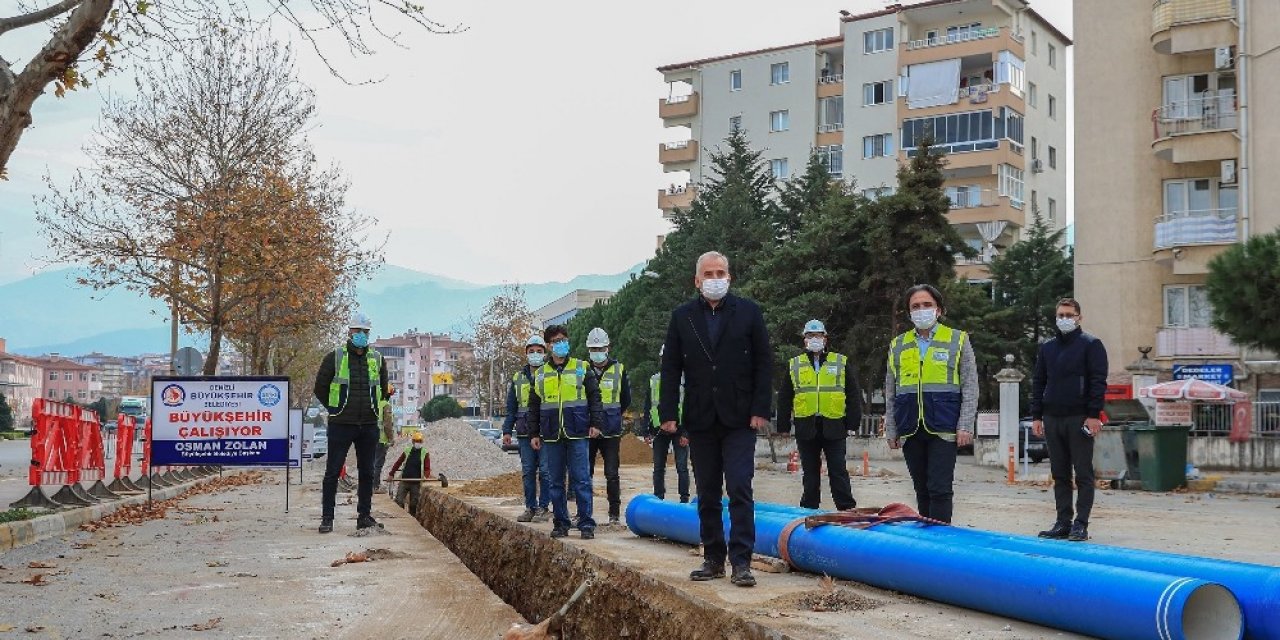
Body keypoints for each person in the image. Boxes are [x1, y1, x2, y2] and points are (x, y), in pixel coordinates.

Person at [660, 250, 772, 587]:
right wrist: (668, 413)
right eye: (708, 274)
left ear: (730, 277)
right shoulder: (682, 317)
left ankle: (742, 561)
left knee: (739, 487)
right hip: (701, 417)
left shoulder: (749, 313)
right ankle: (713, 557)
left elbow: (764, 364)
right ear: (697, 281)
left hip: (739, 418)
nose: (714, 279)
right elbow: (670, 369)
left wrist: (760, 409)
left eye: (720, 272)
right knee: (707, 491)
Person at [884, 285, 978, 524]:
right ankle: (926, 543)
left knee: (940, 488)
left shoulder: (958, 339)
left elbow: (970, 385)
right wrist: (892, 429)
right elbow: (891, 391)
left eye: (927, 305)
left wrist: (965, 424)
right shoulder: (898, 344)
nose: (921, 310)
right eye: (915, 306)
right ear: (909, 312)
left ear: (939, 309)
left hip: (944, 426)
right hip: (910, 426)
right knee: (921, 489)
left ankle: (941, 545)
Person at [1031, 298, 1109, 542]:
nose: (1064, 319)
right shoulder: (1048, 348)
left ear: (1079, 317)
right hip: (1053, 418)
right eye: (1060, 315)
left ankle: (1081, 524)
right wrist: (1036, 415)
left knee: (1083, 473)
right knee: (1059, 473)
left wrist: (1094, 415)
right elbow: (1038, 382)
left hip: (1080, 418)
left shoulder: (1091, 345)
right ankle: (1062, 522)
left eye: (1069, 314)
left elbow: (1098, 381)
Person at [313, 311, 390, 533]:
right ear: (350, 332)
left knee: (367, 472)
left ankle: (364, 516)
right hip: (341, 423)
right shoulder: (335, 357)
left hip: (368, 425)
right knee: (332, 472)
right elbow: (320, 387)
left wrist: (374, 408)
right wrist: (334, 408)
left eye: (365, 332)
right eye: (358, 331)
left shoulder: (377, 359)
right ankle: (327, 517)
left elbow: (383, 389)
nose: (361, 335)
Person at [528, 324, 604, 540]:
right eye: (554, 341)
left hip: (578, 432)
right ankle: (561, 523)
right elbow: (534, 407)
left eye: (562, 340)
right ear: (549, 346)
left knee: (581, 480)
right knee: (555, 482)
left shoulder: (581, 367)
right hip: (552, 435)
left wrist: (596, 423)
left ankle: (586, 523)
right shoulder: (541, 374)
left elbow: (595, 397)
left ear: (567, 341)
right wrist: (534, 433)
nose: (559, 344)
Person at [776, 319, 861, 510]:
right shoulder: (795, 364)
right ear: (804, 340)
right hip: (806, 425)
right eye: (810, 336)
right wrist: (783, 425)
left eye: (818, 336)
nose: (815, 339)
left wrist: (853, 423)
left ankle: (846, 507)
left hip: (834, 425)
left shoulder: (840, 362)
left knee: (838, 469)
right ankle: (809, 507)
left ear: (825, 338)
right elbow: (785, 396)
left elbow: (853, 393)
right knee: (810, 471)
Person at [502, 335, 551, 523]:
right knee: (528, 471)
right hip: (523, 432)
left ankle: (544, 507)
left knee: (546, 472)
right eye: (532, 351)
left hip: (546, 432)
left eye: (539, 351)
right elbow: (512, 408)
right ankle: (530, 507)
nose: (535, 355)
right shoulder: (518, 378)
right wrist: (507, 431)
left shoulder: (550, 374)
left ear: (545, 353)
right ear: (526, 354)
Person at [585, 327, 630, 525]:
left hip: (611, 431)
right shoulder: (582, 369)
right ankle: (584, 512)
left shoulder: (619, 369)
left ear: (608, 347)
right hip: (588, 430)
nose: (597, 351)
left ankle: (614, 514)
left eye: (600, 347)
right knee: (585, 474)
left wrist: (612, 416)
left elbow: (625, 399)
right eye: (593, 348)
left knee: (612, 474)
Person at [644, 345, 690, 503]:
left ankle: (684, 499)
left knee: (682, 468)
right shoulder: (654, 380)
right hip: (659, 431)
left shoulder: (686, 382)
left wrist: (686, 433)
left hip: (680, 431)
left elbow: (691, 408)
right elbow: (648, 406)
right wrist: (647, 431)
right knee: (658, 468)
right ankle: (658, 498)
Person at [387, 432, 431, 513]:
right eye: (416, 441)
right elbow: (398, 463)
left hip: (416, 483)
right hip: (404, 480)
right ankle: (401, 516)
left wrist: (425, 476)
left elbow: (427, 468)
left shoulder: (425, 452)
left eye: (420, 441)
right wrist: (391, 474)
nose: (418, 443)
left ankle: (412, 518)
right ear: (413, 442)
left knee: (413, 504)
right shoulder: (407, 450)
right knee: (399, 501)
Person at [372, 386, 396, 491]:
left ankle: (369, 485)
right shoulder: (386, 406)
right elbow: (387, 424)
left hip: (370, 438)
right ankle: (375, 486)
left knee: (370, 462)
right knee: (378, 463)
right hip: (381, 439)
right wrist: (391, 438)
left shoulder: (374, 404)